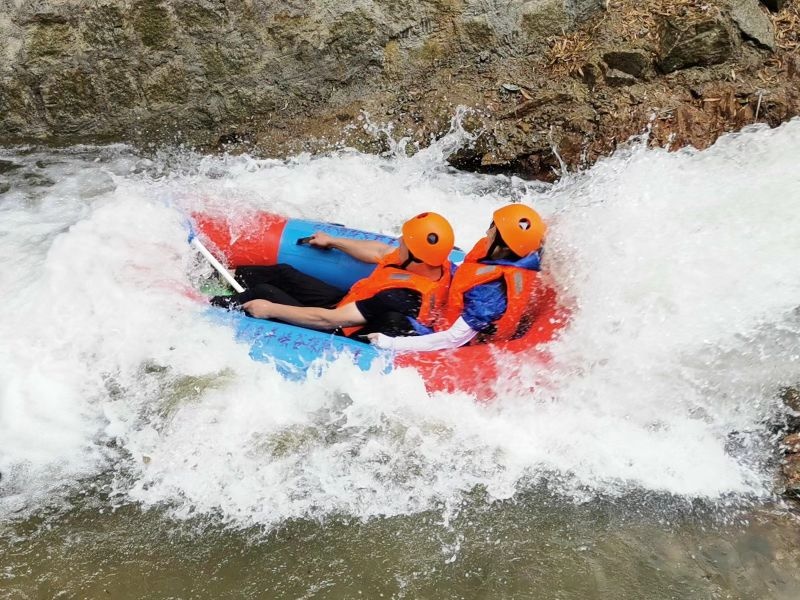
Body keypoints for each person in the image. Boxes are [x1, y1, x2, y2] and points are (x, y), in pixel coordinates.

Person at [220, 212, 456, 338]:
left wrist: (270, 309)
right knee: (284, 273)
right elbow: (381, 251)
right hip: (351, 303)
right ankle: (222, 275)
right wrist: (333, 241)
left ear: (416, 255)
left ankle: (206, 305)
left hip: (343, 327)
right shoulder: (435, 262)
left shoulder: (400, 296)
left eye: (405, 242)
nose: (400, 242)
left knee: (265, 294)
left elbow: (329, 320)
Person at [368, 204, 546, 351]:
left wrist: (390, 343)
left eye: (493, 227)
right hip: (447, 315)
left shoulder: (490, 294)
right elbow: (467, 271)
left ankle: (348, 340)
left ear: (504, 246)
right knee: (396, 298)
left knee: (391, 321)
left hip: (460, 346)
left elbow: (453, 339)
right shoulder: (502, 257)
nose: (487, 232)